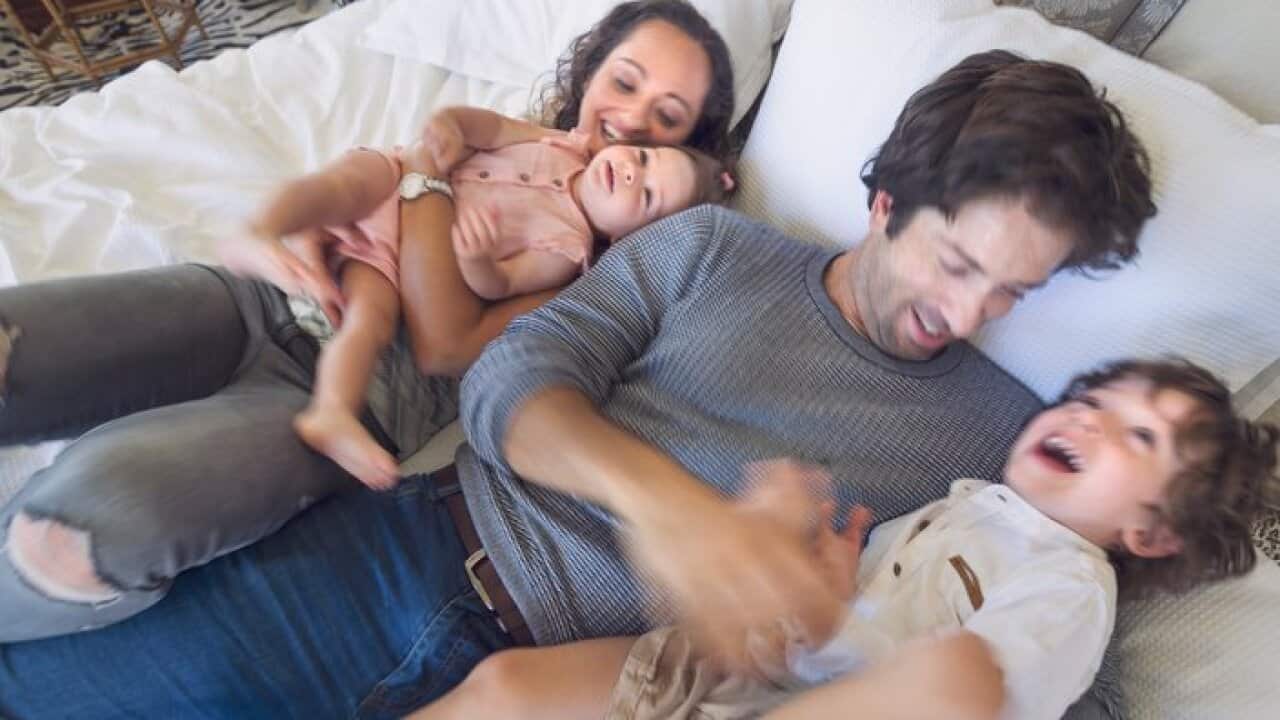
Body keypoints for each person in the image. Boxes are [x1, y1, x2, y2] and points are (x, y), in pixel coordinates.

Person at [0, 50, 1155, 720]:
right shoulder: (714, 249)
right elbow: (509, 378)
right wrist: (674, 512)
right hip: (411, 557)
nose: (964, 317)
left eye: (1014, 294)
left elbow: (1054, 652)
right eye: (956, 267)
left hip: (588, 697)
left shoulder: (1008, 439)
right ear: (887, 205)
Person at [0, 0, 734, 646]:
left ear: (687, 159)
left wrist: (420, 182)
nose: (632, 121)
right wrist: (348, 207)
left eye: (666, 120)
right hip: (267, 297)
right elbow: (391, 168)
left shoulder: (590, 274)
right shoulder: (525, 139)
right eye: (625, 81)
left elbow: (447, 341)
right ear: (593, 68)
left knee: (73, 534)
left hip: (347, 396)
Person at [411, 359, 1279, 720]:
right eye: (1094, 399)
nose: (1089, 420)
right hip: (743, 681)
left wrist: (831, 624)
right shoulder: (966, 503)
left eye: (1138, 436)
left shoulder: (1074, 584)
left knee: (959, 672)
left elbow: (973, 697)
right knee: (506, 688)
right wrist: (803, 582)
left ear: (1152, 534)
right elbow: (830, 643)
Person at [219, 105, 734, 488]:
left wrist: (477, 259)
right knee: (337, 186)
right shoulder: (563, 144)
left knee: (368, 323)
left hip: (392, 260)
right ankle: (257, 231)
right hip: (394, 179)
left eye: (644, 195)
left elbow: (502, 284)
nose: (630, 172)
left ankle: (331, 411)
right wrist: (453, 125)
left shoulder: (568, 248)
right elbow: (490, 128)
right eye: (642, 159)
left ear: (627, 240)